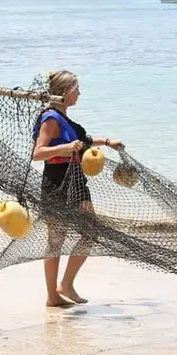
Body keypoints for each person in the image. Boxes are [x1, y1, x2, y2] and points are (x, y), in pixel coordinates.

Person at [31, 70, 125, 307]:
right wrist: (65, 147)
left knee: (91, 232)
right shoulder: (51, 118)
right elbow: (38, 153)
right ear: (65, 92)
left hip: (76, 181)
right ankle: (53, 296)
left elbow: (83, 140)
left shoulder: (66, 119)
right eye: (77, 89)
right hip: (56, 180)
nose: (79, 94)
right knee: (56, 240)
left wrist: (106, 142)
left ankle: (66, 285)